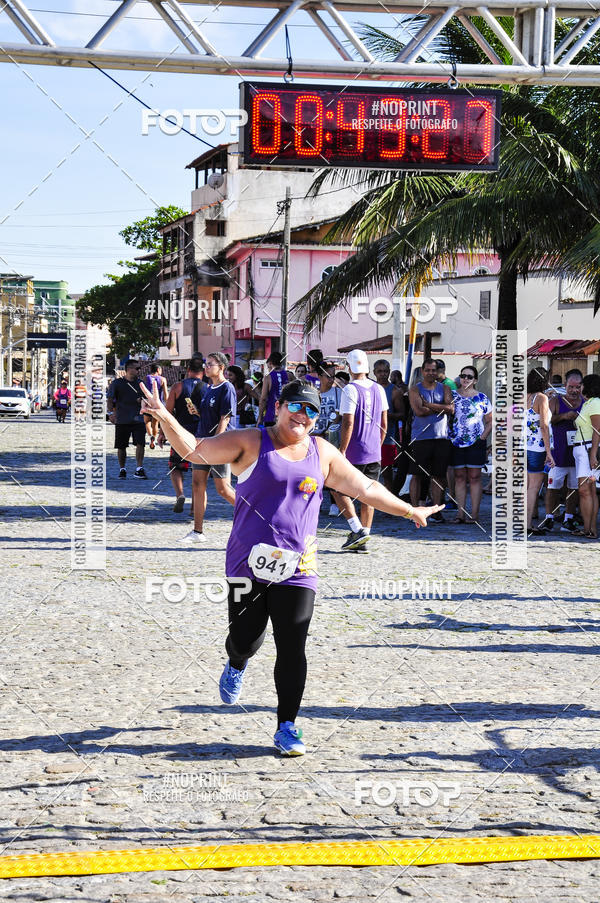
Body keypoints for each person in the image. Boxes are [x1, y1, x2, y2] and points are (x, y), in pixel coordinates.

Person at [140, 376, 443, 756]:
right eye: (296, 406)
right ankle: (236, 662)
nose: (303, 415)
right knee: (246, 638)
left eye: (312, 410)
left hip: (299, 566)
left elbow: (365, 488)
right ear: (279, 407)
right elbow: (196, 451)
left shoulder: (322, 451)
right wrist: (165, 415)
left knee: (292, 644)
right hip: (246, 564)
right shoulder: (250, 441)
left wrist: (409, 509)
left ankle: (287, 726)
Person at [334, 349, 388, 552]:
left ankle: (357, 529)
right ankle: (365, 533)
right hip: (374, 450)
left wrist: (342, 449)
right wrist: (378, 444)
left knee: (337, 489)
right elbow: (384, 423)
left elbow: (348, 422)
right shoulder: (379, 389)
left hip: (354, 450)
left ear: (349, 367)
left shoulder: (350, 389)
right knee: (369, 494)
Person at [182, 351, 237, 544]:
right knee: (197, 484)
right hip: (202, 442)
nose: (206, 367)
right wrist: (196, 412)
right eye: (206, 363)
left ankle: (255, 515)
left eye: (210, 364)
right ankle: (197, 531)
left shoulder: (226, 388)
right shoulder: (209, 389)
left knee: (223, 489)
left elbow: (225, 418)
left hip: (219, 445)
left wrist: (218, 442)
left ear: (221, 367)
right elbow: (209, 417)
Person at [537, 369, 583, 534]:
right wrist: (564, 416)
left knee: (573, 487)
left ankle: (568, 518)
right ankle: (549, 517)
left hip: (577, 453)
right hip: (558, 452)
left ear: (582, 387)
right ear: (565, 386)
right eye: (571, 387)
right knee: (553, 487)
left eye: (577, 387)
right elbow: (546, 421)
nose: (574, 390)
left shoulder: (585, 402)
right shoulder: (556, 401)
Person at [408, 358, 454, 521]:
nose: (431, 373)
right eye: (427, 370)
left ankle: (435, 510)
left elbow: (451, 408)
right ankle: (412, 511)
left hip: (441, 437)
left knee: (438, 476)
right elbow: (419, 411)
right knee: (417, 475)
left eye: (433, 370)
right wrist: (439, 407)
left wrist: (429, 404)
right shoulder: (415, 389)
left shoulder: (445, 388)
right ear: (422, 371)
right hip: (421, 438)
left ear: (438, 371)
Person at [158, 359, 206, 512]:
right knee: (197, 470)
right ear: (203, 371)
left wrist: (162, 432)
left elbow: (167, 412)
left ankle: (180, 494)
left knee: (175, 467)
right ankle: (194, 507)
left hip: (180, 432)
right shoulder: (208, 388)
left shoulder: (178, 387)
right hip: (200, 433)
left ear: (188, 370)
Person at [449, 366, 492, 524]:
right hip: (456, 441)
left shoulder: (482, 398)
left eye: (469, 376)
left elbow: (490, 420)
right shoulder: (452, 396)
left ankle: (474, 515)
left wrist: (482, 437)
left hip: (476, 442)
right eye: (463, 376)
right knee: (459, 477)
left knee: (474, 478)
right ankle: (460, 513)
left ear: (475, 380)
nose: (465, 379)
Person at [107, 360, 148, 479]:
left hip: (138, 418)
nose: (139, 370)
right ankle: (122, 469)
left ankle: (139, 468)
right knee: (121, 446)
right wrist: (110, 413)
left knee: (140, 443)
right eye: (137, 368)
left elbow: (147, 399)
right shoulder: (117, 383)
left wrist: (143, 401)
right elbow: (110, 399)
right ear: (129, 369)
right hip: (122, 418)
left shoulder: (141, 383)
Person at [572, 373, 600, 538]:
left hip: (588, 449)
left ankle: (591, 528)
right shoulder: (588, 403)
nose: (579, 388)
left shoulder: (595, 403)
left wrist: (593, 455)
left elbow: (597, 430)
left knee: (586, 490)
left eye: (581, 385)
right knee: (587, 490)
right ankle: (588, 528)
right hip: (582, 450)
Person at [526, 367, 554, 534]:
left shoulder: (523, 397)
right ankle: (527, 524)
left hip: (523, 446)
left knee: (525, 486)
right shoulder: (541, 398)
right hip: (537, 447)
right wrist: (549, 452)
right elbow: (543, 426)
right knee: (534, 488)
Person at [373, 359, 404, 492]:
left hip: (387, 437)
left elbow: (402, 414)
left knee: (386, 472)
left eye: (385, 371)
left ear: (389, 372)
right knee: (368, 472)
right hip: (369, 436)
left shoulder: (395, 391)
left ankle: (388, 502)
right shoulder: (370, 388)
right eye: (379, 371)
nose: (383, 374)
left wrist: (385, 416)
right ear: (374, 372)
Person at [258, 352, 289, 427]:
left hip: (271, 416)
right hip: (286, 415)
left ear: (270, 363)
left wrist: (260, 417)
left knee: (269, 438)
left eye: (268, 367)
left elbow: (263, 399)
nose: (268, 369)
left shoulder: (268, 377)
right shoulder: (289, 375)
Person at [144, 363, 168, 448]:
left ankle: (150, 436)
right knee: (155, 423)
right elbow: (165, 394)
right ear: (158, 370)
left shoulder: (146, 377)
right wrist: (167, 404)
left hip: (147, 403)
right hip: (158, 404)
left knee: (147, 422)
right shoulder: (162, 379)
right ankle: (153, 438)